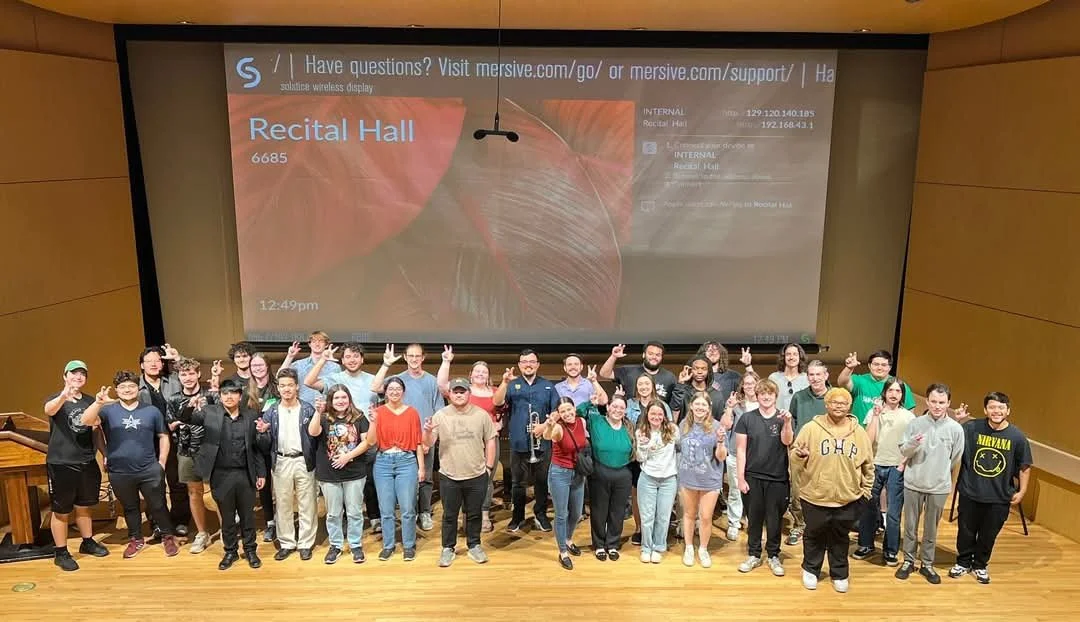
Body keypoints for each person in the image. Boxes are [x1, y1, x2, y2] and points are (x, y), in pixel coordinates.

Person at [80, 371, 179, 558]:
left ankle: (167, 536)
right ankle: (136, 539)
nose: (127, 390)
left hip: (149, 467)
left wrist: (162, 462)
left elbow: (163, 436)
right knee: (130, 506)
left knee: (158, 505)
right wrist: (105, 453)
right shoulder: (107, 410)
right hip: (119, 469)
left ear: (138, 388)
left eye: (131, 386)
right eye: (123, 387)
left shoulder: (151, 411)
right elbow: (87, 423)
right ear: (116, 390)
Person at [175, 380, 267, 570]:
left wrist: (261, 473)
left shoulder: (251, 415)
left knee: (247, 516)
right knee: (227, 516)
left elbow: (257, 448)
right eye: (225, 393)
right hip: (221, 474)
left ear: (240, 396)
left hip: (245, 473)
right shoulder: (210, 412)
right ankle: (230, 551)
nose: (229, 397)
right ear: (221, 396)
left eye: (233, 393)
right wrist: (189, 407)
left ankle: (250, 550)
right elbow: (185, 419)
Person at [789, 387, 874, 593]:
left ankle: (839, 573)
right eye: (834, 402)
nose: (838, 406)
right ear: (826, 404)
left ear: (849, 406)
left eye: (843, 403)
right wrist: (800, 456)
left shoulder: (859, 432)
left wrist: (866, 492)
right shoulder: (810, 428)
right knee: (813, 535)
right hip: (815, 496)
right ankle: (811, 569)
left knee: (840, 538)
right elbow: (794, 456)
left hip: (848, 498)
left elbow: (868, 465)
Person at [949, 391, 1032, 585]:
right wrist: (958, 422)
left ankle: (980, 565)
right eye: (992, 407)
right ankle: (962, 562)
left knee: (989, 534)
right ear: (986, 410)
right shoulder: (971, 428)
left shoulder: (1017, 437)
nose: (997, 411)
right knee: (966, 531)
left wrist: (1022, 491)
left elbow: (1025, 466)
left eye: (1001, 407)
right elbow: (952, 440)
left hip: (999, 496)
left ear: (1008, 411)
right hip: (971, 491)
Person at [894, 383, 965, 584]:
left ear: (948, 403)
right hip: (913, 483)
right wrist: (914, 443)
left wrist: (940, 472)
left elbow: (955, 458)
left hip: (939, 487)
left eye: (942, 402)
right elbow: (904, 451)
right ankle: (908, 561)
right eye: (933, 401)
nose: (937, 406)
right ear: (927, 401)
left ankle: (927, 563)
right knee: (909, 525)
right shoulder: (915, 424)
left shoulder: (956, 429)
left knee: (931, 528)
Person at [423, 378, 498, 567]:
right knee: (449, 515)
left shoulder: (481, 415)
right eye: (455, 391)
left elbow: (490, 440)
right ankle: (448, 548)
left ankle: (474, 545)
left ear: (468, 393)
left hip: (476, 474)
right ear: (449, 394)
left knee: (474, 514)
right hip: (449, 475)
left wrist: (489, 467)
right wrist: (427, 432)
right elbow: (428, 443)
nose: (458, 394)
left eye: (462, 391)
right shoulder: (440, 415)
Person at [372, 343, 445, 532]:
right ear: (405, 357)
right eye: (410, 356)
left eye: (417, 356)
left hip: (425, 436)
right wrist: (386, 364)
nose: (414, 359)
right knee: (405, 480)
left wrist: (429, 437)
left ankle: (425, 512)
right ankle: (408, 513)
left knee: (425, 478)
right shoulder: (397, 380)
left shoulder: (431, 381)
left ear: (423, 358)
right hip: (400, 440)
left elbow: (438, 411)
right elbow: (376, 387)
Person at [43, 360, 109, 571]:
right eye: (74, 373)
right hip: (61, 462)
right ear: (65, 376)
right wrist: (64, 395)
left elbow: (95, 430)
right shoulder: (55, 398)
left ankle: (87, 541)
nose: (78, 377)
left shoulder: (90, 400)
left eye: (82, 374)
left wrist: (104, 454)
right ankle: (61, 552)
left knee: (84, 505)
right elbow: (49, 410)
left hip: (87, 461)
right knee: (61, 510)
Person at [351, 376, 424, 561]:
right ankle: (388, 545)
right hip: (383, 461)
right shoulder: (379, 412)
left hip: (406, 461)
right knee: (386, 508)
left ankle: (409, 545)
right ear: (385, 392)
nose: (394, 392)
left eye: (397, 389)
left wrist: (421, 468)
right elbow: (371, 441)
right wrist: (374, 421)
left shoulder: (412, 413)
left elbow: (418, 443)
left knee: (407, 507)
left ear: (403, 392)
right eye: (390, 389)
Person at [437, 350, 506, 532]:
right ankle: (463, 514)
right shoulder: (463, 391)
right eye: (477, 371)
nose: (481, 374)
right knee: (463, 477)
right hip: (464, 441)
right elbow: (442, 385)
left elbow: (503, 410)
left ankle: (483, 513)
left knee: (486, 478)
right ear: (470, 375)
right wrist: (446, 361)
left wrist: (498, 425)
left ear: (488, 376)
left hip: (489, 440)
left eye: (484, 372)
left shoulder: (494, 391)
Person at [492, 349, 560, 533]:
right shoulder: (512, 385)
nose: (528, 364)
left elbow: (556, 410)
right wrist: (505, 382)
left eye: (532, 361)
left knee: (541, 481)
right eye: (524, 361)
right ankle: (518, 517)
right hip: (519, 443)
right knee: (518, 483)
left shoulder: (548, 386)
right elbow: (497, 402)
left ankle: (541, 515)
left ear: (538, 364)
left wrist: (544, 425)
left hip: (542, 443)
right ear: (520, 364)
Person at [307, 384, 374, 564]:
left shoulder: (359, 417)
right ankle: (335, 545)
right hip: (329, 474)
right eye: (336, 398)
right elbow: (312, 432)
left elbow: (367, 442)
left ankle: (355, 544)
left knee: (354, 512)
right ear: (331, 400)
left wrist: (348, 456)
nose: (340, 401)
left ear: (349, 399)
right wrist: (316, 412)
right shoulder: (323, 418)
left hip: (354, 473)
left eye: (344, 397)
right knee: (333, 513)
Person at [852, 377, 914, 566]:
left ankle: (890, 550)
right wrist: (877, 416)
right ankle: (866, 544)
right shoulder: (874, 412)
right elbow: (867, 440)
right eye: (891, 390)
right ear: (884, 393)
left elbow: (912, 445)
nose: (894, 394)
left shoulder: (909, 417)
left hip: (897, 467)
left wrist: (902, 464)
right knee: (868, 508)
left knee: (894, 512)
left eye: (898, 391)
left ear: (902, 395)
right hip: (875, 465)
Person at [735, 378, 793, 577]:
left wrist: (787, 423)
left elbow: (787, 441)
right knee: (755, 518)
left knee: (775, 519)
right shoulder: (747, 419)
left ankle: (773, 555)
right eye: (762, 394)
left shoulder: (783, 417)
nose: (766, 397)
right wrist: (740, 478)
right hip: (753, 476)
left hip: (777, 477)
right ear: (757, 396)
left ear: (776, 396)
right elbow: (741, 450)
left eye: (770, 394)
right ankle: (753, 554)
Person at [260, 369, 318, 561]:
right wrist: (262, 432)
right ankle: (286, 543)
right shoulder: (272, 410)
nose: (286, 389)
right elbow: (264, 440)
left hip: (303, 460)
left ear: (297, 387)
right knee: (283, 504)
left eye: (290, 385)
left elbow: (316, 437)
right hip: (281, 460)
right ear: (278, 388)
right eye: (282, 385)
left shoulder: (308, 409)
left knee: (307, 503)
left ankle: (305, 543)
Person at [166, 358, 217, 554]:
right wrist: (186, 413)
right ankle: (202, 533)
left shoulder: (209, 396)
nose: (187, 378)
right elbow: (171, 425)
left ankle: (226, 532)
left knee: (215, 491)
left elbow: (218, 418)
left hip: (210, 449)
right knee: (193, 492)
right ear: (179, 377)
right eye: (183, 374)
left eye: (190, 373)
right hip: (186, 450)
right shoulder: (173, 399)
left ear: (198, 374)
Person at [137, 345, 188, 538]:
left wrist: (177, 358)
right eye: (149, 361)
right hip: (148, 442)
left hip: (175, 438)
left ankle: (181, 520)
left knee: (177, 482)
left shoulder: (173, 381)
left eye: (157, 360)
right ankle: (157, 522)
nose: (153, 364)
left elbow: (189, 374)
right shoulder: (135, 385)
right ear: (142, 365)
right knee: (153, 484)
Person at [577, 394, 634, 560]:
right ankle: (599, 544)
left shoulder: (629, 427)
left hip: (623, 473)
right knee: (599, 510)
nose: (617, 410)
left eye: (621, 408)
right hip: (600, 471)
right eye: (614, 406)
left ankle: (613, 544)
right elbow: (578, 412)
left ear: (625, 411)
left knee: (617, 511)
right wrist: (590, 402)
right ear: (608, 408)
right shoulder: (596, 420)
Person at [677, 392, 728, 567]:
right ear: (691, 406)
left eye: (703, 405)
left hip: (709, 478)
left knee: (706, 517)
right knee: (689, 514)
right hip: (687, 477)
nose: (700, 408)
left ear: (709, 408)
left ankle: (703, 549)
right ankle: (689, 547)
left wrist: (721, 442)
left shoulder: (716, 426)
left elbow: (721, 457)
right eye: (697, 404)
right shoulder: (684, 424)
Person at [786, 359, 829, 545]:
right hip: (800, 452)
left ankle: (821, 527)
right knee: (797, 490)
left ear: (826, 375)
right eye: (811, 374)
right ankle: (799, 524)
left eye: (819, 374)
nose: (815, 378)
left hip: (826, 453)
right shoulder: (799, 397)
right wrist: (795, 444)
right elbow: (793, 420)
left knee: (823, 489)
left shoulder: (834, 397)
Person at [541, 396, 588, 570]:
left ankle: (568, 539)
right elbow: (548, 436)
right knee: (562, 514)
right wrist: (550, 425)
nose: (567, 413)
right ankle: (563, 552)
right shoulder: (558, 427)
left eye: (569, 409)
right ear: (558, 414)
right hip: (560, 473)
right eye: (563, 411)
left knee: (576, 513)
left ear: (574, 409)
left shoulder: (581, 422)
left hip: (577, 472)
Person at [624, 372, 670, 544]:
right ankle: (639, 528)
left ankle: (658, 531)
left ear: (653, 386)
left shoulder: (662, 405)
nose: (643, 387)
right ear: (636, 387)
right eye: (640, 384)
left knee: (660, 497)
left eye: (647, 384)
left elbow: (669, 430)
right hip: (637, 457)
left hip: (659, 460)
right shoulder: (629, 405)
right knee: (638, 495)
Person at [635, 400, 680, 563]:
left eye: (660, 414)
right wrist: (643, 446)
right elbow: (640, 458)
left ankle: (659, 547)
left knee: (663, 516)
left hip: (669, 479)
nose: (656, 417)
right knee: (647, 517)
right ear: (647, 414)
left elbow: (680, 448)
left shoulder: (673, 430)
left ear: (664, 416)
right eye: (653, 413)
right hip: (647, 478)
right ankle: (646, 548)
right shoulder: (641, 431)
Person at [721, 371, 759, 541]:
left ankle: (754, 522)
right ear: (742, 386)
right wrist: (729, 407)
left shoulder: (765, 404)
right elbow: (725, 425)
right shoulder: (737, 405)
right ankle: (734, 523)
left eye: (753, 382)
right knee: (735, 491)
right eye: (746, 383)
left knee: (755, 492)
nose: (749, 386)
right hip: (736, 454)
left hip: (758, 456)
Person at [838, 350, 916, 424]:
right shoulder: (859, 381)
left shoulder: (899, 386)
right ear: (869, 365)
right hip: (858, 431)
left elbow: (909, 411)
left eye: (884, 365)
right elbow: (842, 382)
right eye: (876, 364)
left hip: (885, 434)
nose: (879, 368)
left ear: (890, 367)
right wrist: (849, 368)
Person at [599, 341, 677, 404]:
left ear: (662, 357)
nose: (654, 357)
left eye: (658, 355)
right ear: (643, 355)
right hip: (630, 420)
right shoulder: (629, 371)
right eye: (650, 354)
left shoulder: (670, 378)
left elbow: (674, 404)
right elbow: (604, 374)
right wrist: (613, 356)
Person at [286, 331, 342, 404]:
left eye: (321, 341)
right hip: (303, 409)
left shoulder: (335, 367)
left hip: (326, 409)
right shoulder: (298, 365)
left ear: (326, 345)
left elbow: (338, 391)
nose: (317, 344)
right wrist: (290, 356)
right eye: (314, 341)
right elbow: (279, 377)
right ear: (309, 344)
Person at [696, 340, 743, 406]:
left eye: (715, 350)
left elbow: (752, 389)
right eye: (709, 350)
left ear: (721, 353)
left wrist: (748, 366)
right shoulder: (695, 376)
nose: (712, 352)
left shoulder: (733, 376)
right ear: (703, 354)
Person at [767, 343, 809, 412]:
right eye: (788, 354)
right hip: (778, 419)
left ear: (800, 357)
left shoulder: (807, 378)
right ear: (783, 357)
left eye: (795, 354)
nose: (791, 357)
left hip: (800, 420)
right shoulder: (774, 378)